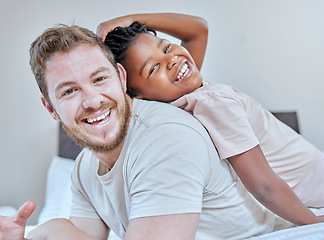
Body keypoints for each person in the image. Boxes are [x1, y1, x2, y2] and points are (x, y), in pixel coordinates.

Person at [0, 24, 300, 240]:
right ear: (50, 108)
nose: (92, 101)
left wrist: (47, 232)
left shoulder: (166, 138)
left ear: (120, 77)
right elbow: (82, 236)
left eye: (100, 79)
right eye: (69, 91)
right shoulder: (85, 168)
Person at [98, 13, 324, 225]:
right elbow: (263, 186)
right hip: (312, 187)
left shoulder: (182, 93)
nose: (172, 61)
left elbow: (198, 30)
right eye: (153, 68)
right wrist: (313, 226)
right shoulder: (211, 106)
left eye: (166, 47)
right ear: (135, 95)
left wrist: (133, 20)